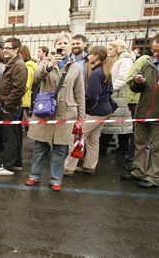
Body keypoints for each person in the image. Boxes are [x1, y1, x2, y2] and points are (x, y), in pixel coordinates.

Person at [25, 32, 85, 191]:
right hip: (45, 111)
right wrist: (49, 65)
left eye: (66, 43)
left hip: (66, 113)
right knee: (39, 147)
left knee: (60, 149)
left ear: (70, 46)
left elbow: (79, 93)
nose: (62, 46)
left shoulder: (76, 67)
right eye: (59, 43)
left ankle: (55, 179)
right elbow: (36, 78)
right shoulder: (45, 63)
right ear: (55, 46)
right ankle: (34, 176)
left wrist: (81, 117)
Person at [64, 46, 114, 176]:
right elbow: (110, 91)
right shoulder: (105, 71)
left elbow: (91, 96)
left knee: (76, 138)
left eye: (90, 54)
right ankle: (89, 166)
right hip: (105, 111)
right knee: (93, 140)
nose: (88, 57)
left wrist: (83, 110)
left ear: (96, 56)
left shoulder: (96, 74)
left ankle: (69, 168)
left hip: (94, 112)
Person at [122, 34, 159, 188]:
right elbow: (136, 89)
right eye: (154, 50)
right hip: (143, 111)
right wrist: (138, 83)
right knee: (140, 143)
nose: (155, 54)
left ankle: (153, 177)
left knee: (157, 148)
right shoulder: (148, 64)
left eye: (158, 51)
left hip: (157, 114)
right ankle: (139, 171)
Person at [0, 37, 27, 176]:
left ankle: (8, 166)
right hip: (12, 106)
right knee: (15, 136)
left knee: (10, 137)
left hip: (11, 107)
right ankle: (17, 163)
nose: (4, 50)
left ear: (16, 49)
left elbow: (18, 88)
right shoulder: (14, 64)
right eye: (4, 48)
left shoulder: (18, 65)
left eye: (8, 48)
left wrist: (7, 106)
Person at [99, 40, 135, 156]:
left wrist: (108, 89)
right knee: (115, 124)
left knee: (117, 124)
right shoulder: (114, 60)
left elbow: (122, 79)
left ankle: (106, 148)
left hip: (119, 96)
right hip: (114, 95)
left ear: (117, 49)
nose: (108, 51)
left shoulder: (125, 61)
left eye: (110, 48)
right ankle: (122, 147)